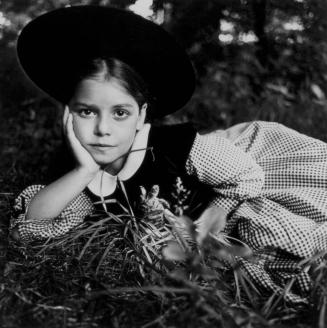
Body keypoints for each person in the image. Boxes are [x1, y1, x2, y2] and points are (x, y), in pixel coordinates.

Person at [10, 5, 327, 303]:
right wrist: (83, 171)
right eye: (86, 112)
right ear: (68, 114)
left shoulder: (177, 147)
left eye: (120, 113)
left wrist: (203, 231)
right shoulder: (78, 167)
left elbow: (247, 177)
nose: (102, 129)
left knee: (265, 234)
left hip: (231, 183)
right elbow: (31, 227)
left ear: (141, 115)